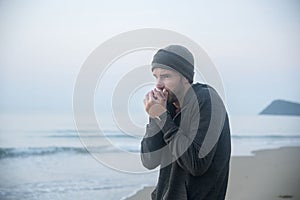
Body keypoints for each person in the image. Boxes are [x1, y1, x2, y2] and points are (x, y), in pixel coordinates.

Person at [141, 45, 231, 200]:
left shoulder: (207, 100)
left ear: (185, 78)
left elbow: (196, 164)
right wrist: (155, 117)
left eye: (166, 76)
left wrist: (163, 118)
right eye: (156, 77)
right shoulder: (166, 106)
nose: (158, 84)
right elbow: (149, 160)